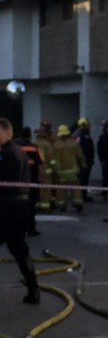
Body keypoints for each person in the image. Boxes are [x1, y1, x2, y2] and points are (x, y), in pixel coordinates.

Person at [0, 118, 40, 304]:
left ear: (7, 131)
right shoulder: (19, 152)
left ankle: (33, 290)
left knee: (19, 248)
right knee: (20, 249)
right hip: (21, 205)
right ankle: (34, 290)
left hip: (9, 206)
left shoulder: (7, 153)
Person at [14, 127, 43, 236]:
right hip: (31, 179)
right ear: (30, 135)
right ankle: (31, 229)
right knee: (30, 205)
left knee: (15, 204)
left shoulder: (13, 146)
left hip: (16, 180)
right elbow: (40, 164)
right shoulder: (34, 147)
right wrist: (42, 178)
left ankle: (16, 229)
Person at [52, 124, 86, 213]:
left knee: (61, 189)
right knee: (76, 189)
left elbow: (53, 159)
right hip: (73, 171)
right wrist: (83, 165)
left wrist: (55, 170)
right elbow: (80, 156)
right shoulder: (74, 143)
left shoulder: (55, 145)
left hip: (61, 171)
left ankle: (62, 205)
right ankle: (78, 204)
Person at [33, 121, 56, 212]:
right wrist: (55, 169)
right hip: (46, 169)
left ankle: (37, 204)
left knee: (36, 187)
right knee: (46, 188)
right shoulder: (47, 144)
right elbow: (51, 159)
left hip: (35, 169)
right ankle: (45, 206)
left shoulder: (33, 142)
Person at [74, 118, 95, 202]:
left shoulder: (79, 135)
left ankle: (82, 195)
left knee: (83, 179)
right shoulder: (83, 136)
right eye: (87, 125)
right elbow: (86, 150)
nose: (89, 126)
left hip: (83, 161)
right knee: (83, 179)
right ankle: (82, 196)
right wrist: (87, 160)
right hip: (84, 161)